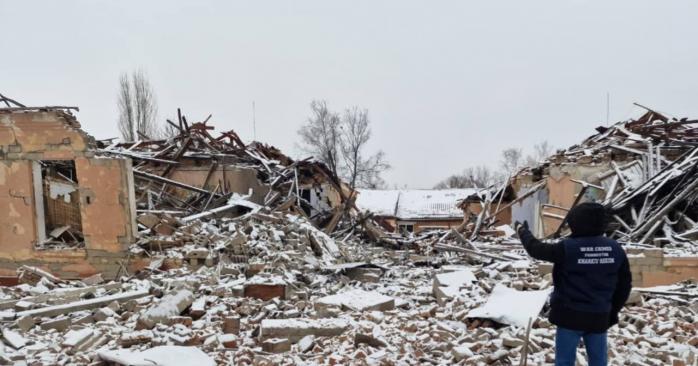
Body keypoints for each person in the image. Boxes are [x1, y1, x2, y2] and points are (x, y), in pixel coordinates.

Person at [514, 202, 632, 366]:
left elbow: (537, 249)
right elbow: (624, 285)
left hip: (569, 316)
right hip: (599, 316)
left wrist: (523, 232)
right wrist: (612, 311)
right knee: (599, 361)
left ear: (576, 222)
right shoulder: (615, 249)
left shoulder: (567, 248)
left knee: (564, 361)